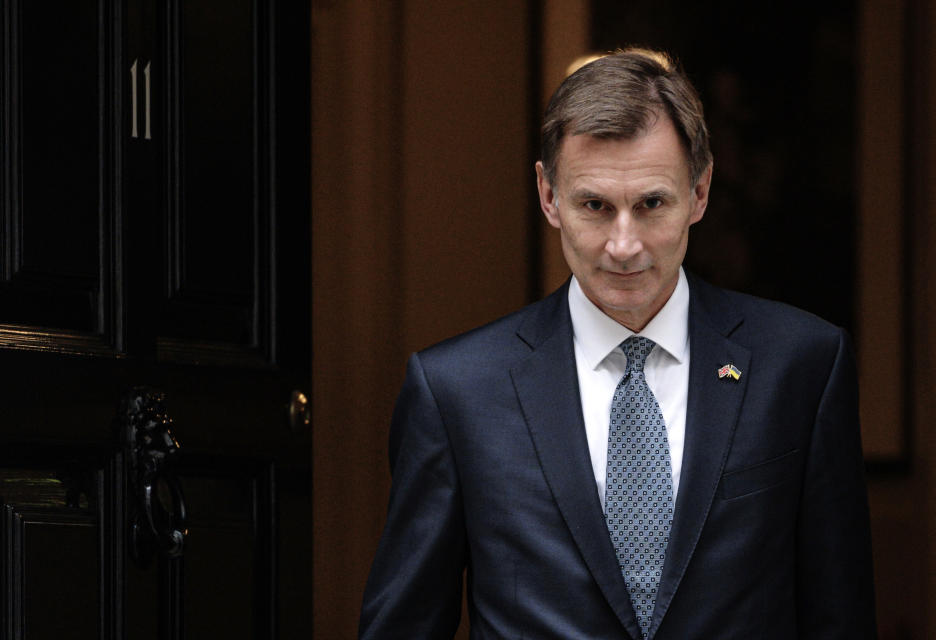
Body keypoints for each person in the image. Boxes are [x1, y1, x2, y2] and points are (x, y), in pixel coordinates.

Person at [359, 48, 876, 639]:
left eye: (651, 204)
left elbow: (842, 617)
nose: (623, 244)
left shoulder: (803, 364)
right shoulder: (456, 390)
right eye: (595, 206)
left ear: (700, 193)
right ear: (549, 195)